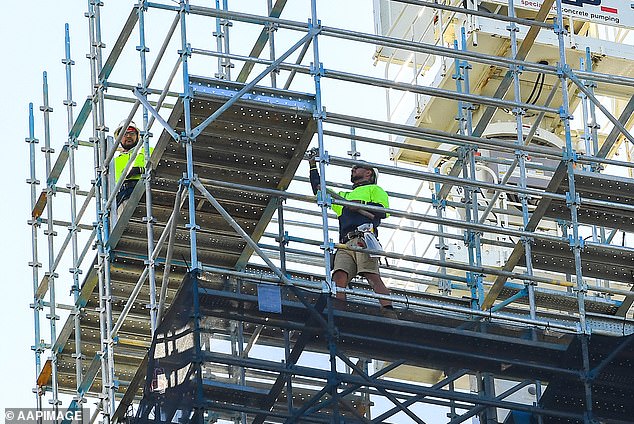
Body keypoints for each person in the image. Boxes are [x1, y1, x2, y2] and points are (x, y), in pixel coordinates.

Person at [308, 154, 394, 311]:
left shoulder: (374, 189)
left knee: (371, 274)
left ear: (369, 173)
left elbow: (383, 211)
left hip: (364, 237)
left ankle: (389, 311)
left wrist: (362, 204)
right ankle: (339, 312)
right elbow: (319, 189)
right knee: (339, 276)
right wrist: (312, 166)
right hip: (345, 243)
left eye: (357, 167)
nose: (353, 169)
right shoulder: (344, 197)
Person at [113, 120, 152, 211]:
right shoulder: (114, 162)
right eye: (125, 134)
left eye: (132, 133)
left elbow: (158, 168)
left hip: (144, 190)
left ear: (137, 136)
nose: (129, 136)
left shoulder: (147, 151)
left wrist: (140, 170)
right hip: (123, 197)